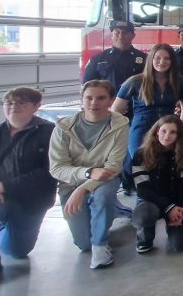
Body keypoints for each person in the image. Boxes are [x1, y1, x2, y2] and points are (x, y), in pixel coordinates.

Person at [0, 87, 56, 284]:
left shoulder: (51, 133)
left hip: (29, 201)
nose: (13, 107)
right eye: (9, 103)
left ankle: (3, 226)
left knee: (16, 251)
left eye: (21, 103)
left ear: (36, 106)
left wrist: (5, 186)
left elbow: (50, 173)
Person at [48, 80, 130, 268]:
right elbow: (57, 168)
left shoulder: (120, 124)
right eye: (89, 98)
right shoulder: (63, 127)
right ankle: (115, 210)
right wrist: (87, 173)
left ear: (110, 101)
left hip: (106, 180)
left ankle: (101, 247)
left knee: (102, 196)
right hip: (72, 182)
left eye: (101, 98)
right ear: (82, 100)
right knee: (84, 244)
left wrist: (83, 190)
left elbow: (114, 166)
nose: (94, 103)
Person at [113, 43, 181, 194]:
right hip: (141, 126)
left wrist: (182, 123)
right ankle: (143, 198)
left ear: (172, 61)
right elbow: (116, 110)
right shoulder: (135, 81)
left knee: (166, 163)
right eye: (157, 58)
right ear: (150, 59)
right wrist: (120, 132)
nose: (161, 62)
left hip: (167, 129)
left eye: (166, 58)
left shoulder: (178, 81)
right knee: (141, 163)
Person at [131, 115, 183, 254]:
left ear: (179, 135)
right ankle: (145, 238)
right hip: (151, 200)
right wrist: (168, 207)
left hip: (176, 201)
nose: (167, 136)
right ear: (157, 131)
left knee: (180, 245)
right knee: (144, 215)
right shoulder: (141, 154)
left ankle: (175, 226)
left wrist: (179, 210)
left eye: (173, 132)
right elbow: (142, 189)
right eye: (164, 131)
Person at [82, 20, 146, 91]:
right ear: (111, 35)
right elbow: (87, 86)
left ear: (133, 36)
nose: (121, 36)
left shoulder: (145, 59)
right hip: (108, 101)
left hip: (134, 101)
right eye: (117, 33)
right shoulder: (97, 59)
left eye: (125, 33)